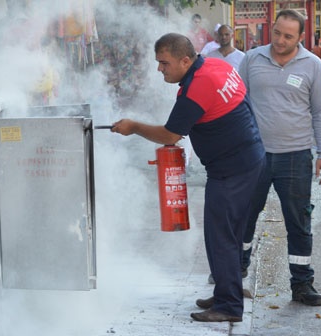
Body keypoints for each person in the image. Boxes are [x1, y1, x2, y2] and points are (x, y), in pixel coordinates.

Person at [110, 33, 266, 322]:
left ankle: (229, 306)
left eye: (164, 63)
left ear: (185, 60)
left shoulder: (198, 86)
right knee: (225, 234)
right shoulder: (217, 66)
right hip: (248, 159)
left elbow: (170, 135)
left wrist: (132, 126)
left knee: (221, 236)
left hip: (232, 169)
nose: (160, 69)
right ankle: (225, 292)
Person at [238, 9, 321, 307]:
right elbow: (237, 102)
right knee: (243, 217)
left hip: (295, 156)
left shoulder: (313, 65)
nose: (280, 40)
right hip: (253, 155)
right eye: (277, 33)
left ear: (300, 37)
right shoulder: (252, 59)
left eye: (288, 36)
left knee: (298, 222)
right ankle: (233, 274)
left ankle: (302, 285)